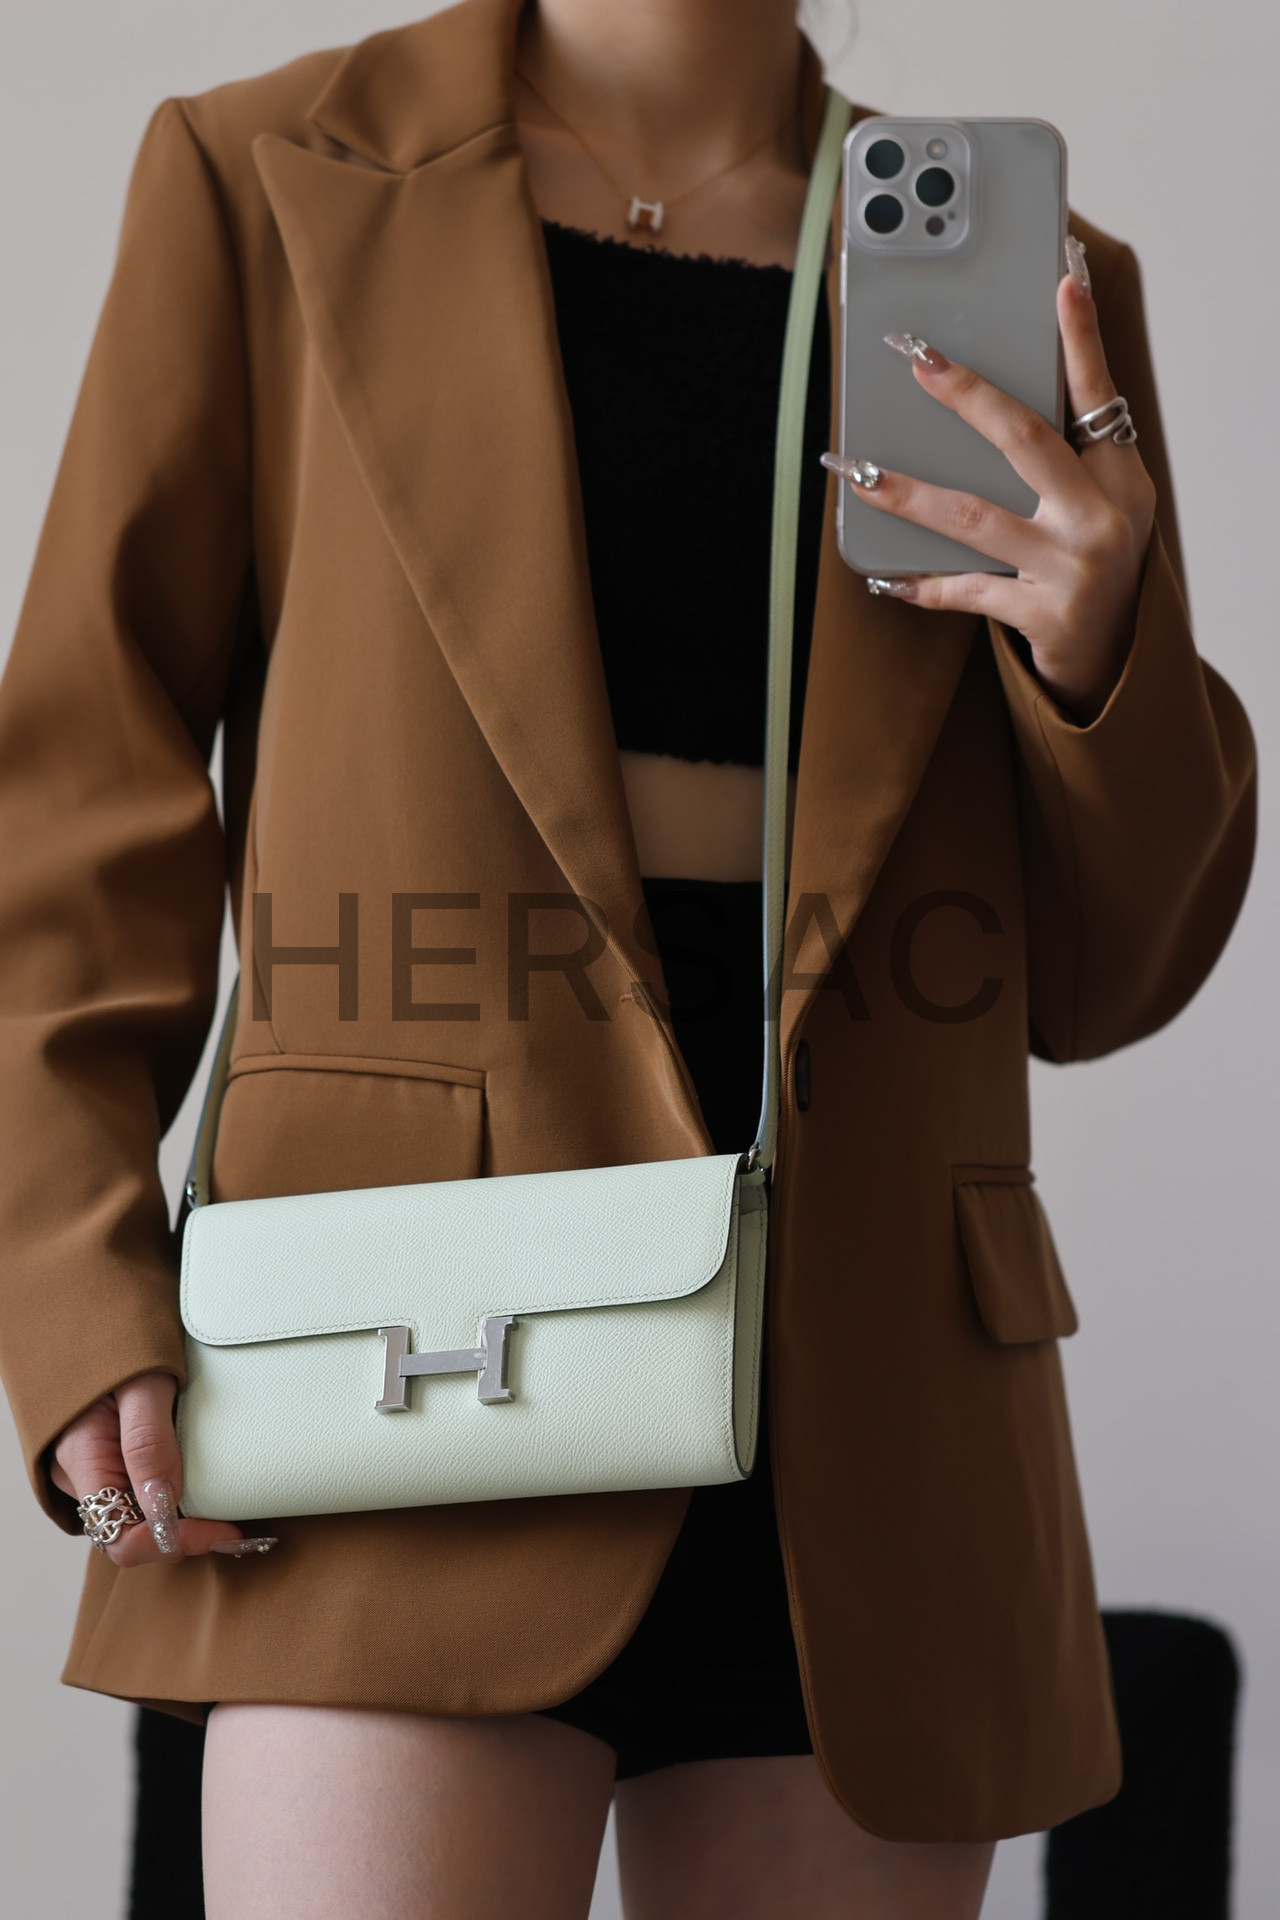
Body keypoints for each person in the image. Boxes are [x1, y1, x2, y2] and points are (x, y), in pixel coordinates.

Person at [0, 1, 1255, 1915]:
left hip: (874, 1419)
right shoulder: (261, 178)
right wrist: (76, 1287)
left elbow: (1109, 980)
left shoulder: (1032, 276)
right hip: (404, 1359)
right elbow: (80, 806)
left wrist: (1102, 656)